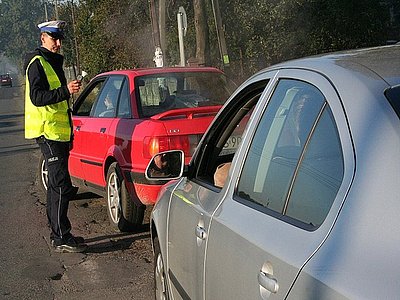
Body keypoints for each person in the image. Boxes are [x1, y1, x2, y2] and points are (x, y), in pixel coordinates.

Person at [24, 20, 87, 253]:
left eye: (60, 39)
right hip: (46, 131)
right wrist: (65, 91)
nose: (58, 43)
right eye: (54, 39)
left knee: (55, 184)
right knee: (61, 183)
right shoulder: (37, 63)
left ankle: (57, 233)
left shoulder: (52, 62)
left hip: (58, 132)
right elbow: (38, 97)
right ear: (43, 38)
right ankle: (62, 235)